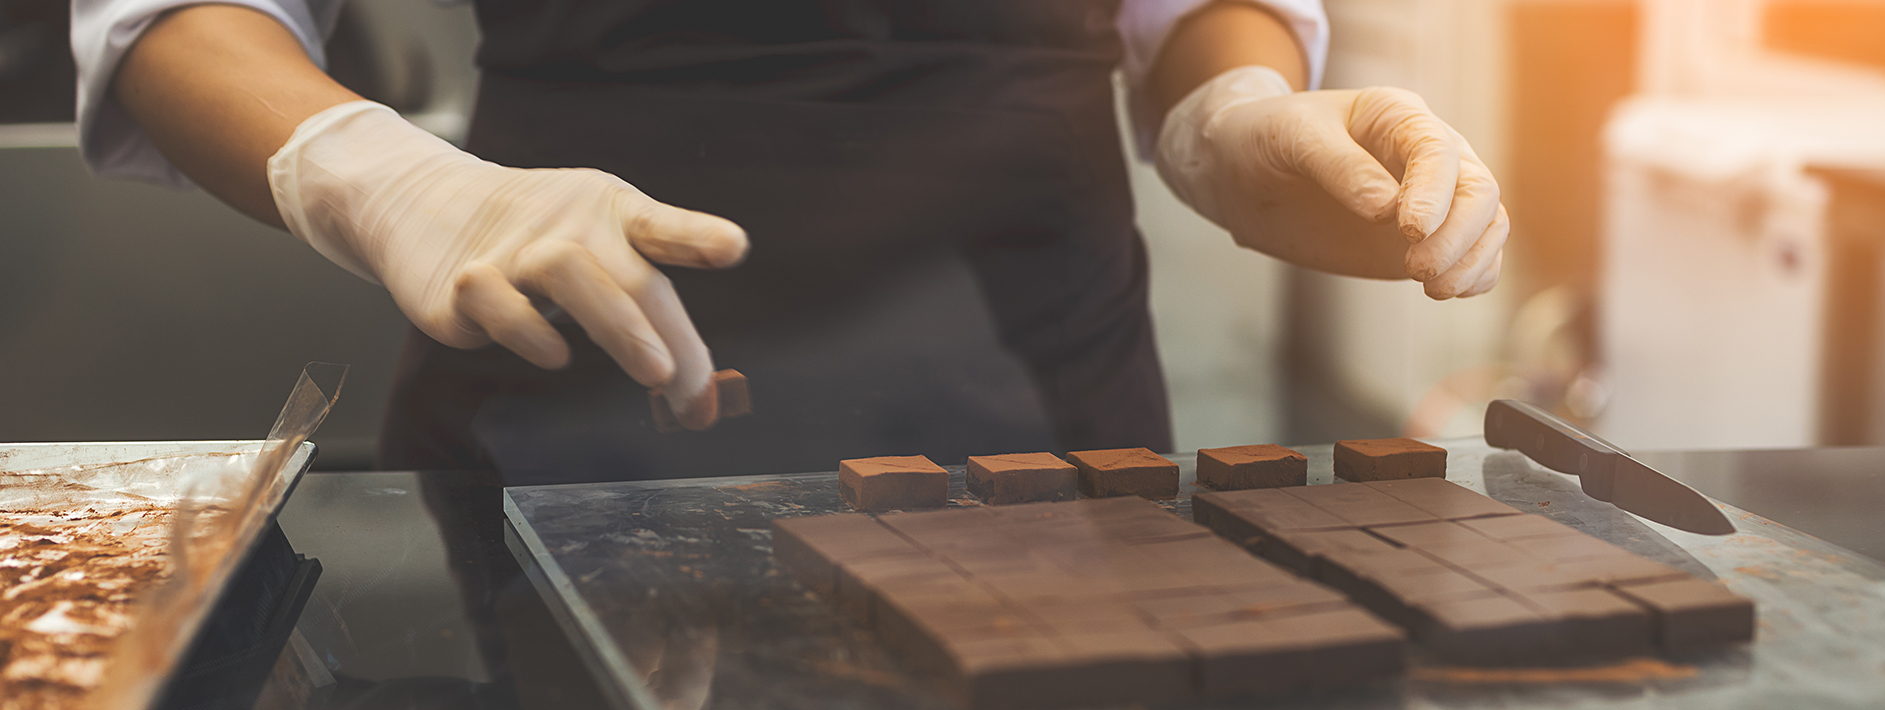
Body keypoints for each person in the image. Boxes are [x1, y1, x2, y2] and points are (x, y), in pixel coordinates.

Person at [73, 0, 1507, 485]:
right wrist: (381, 175)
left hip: (1048, 435)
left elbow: (1194, 14)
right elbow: (168, 15)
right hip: (572, 412)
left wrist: (1238, 116)